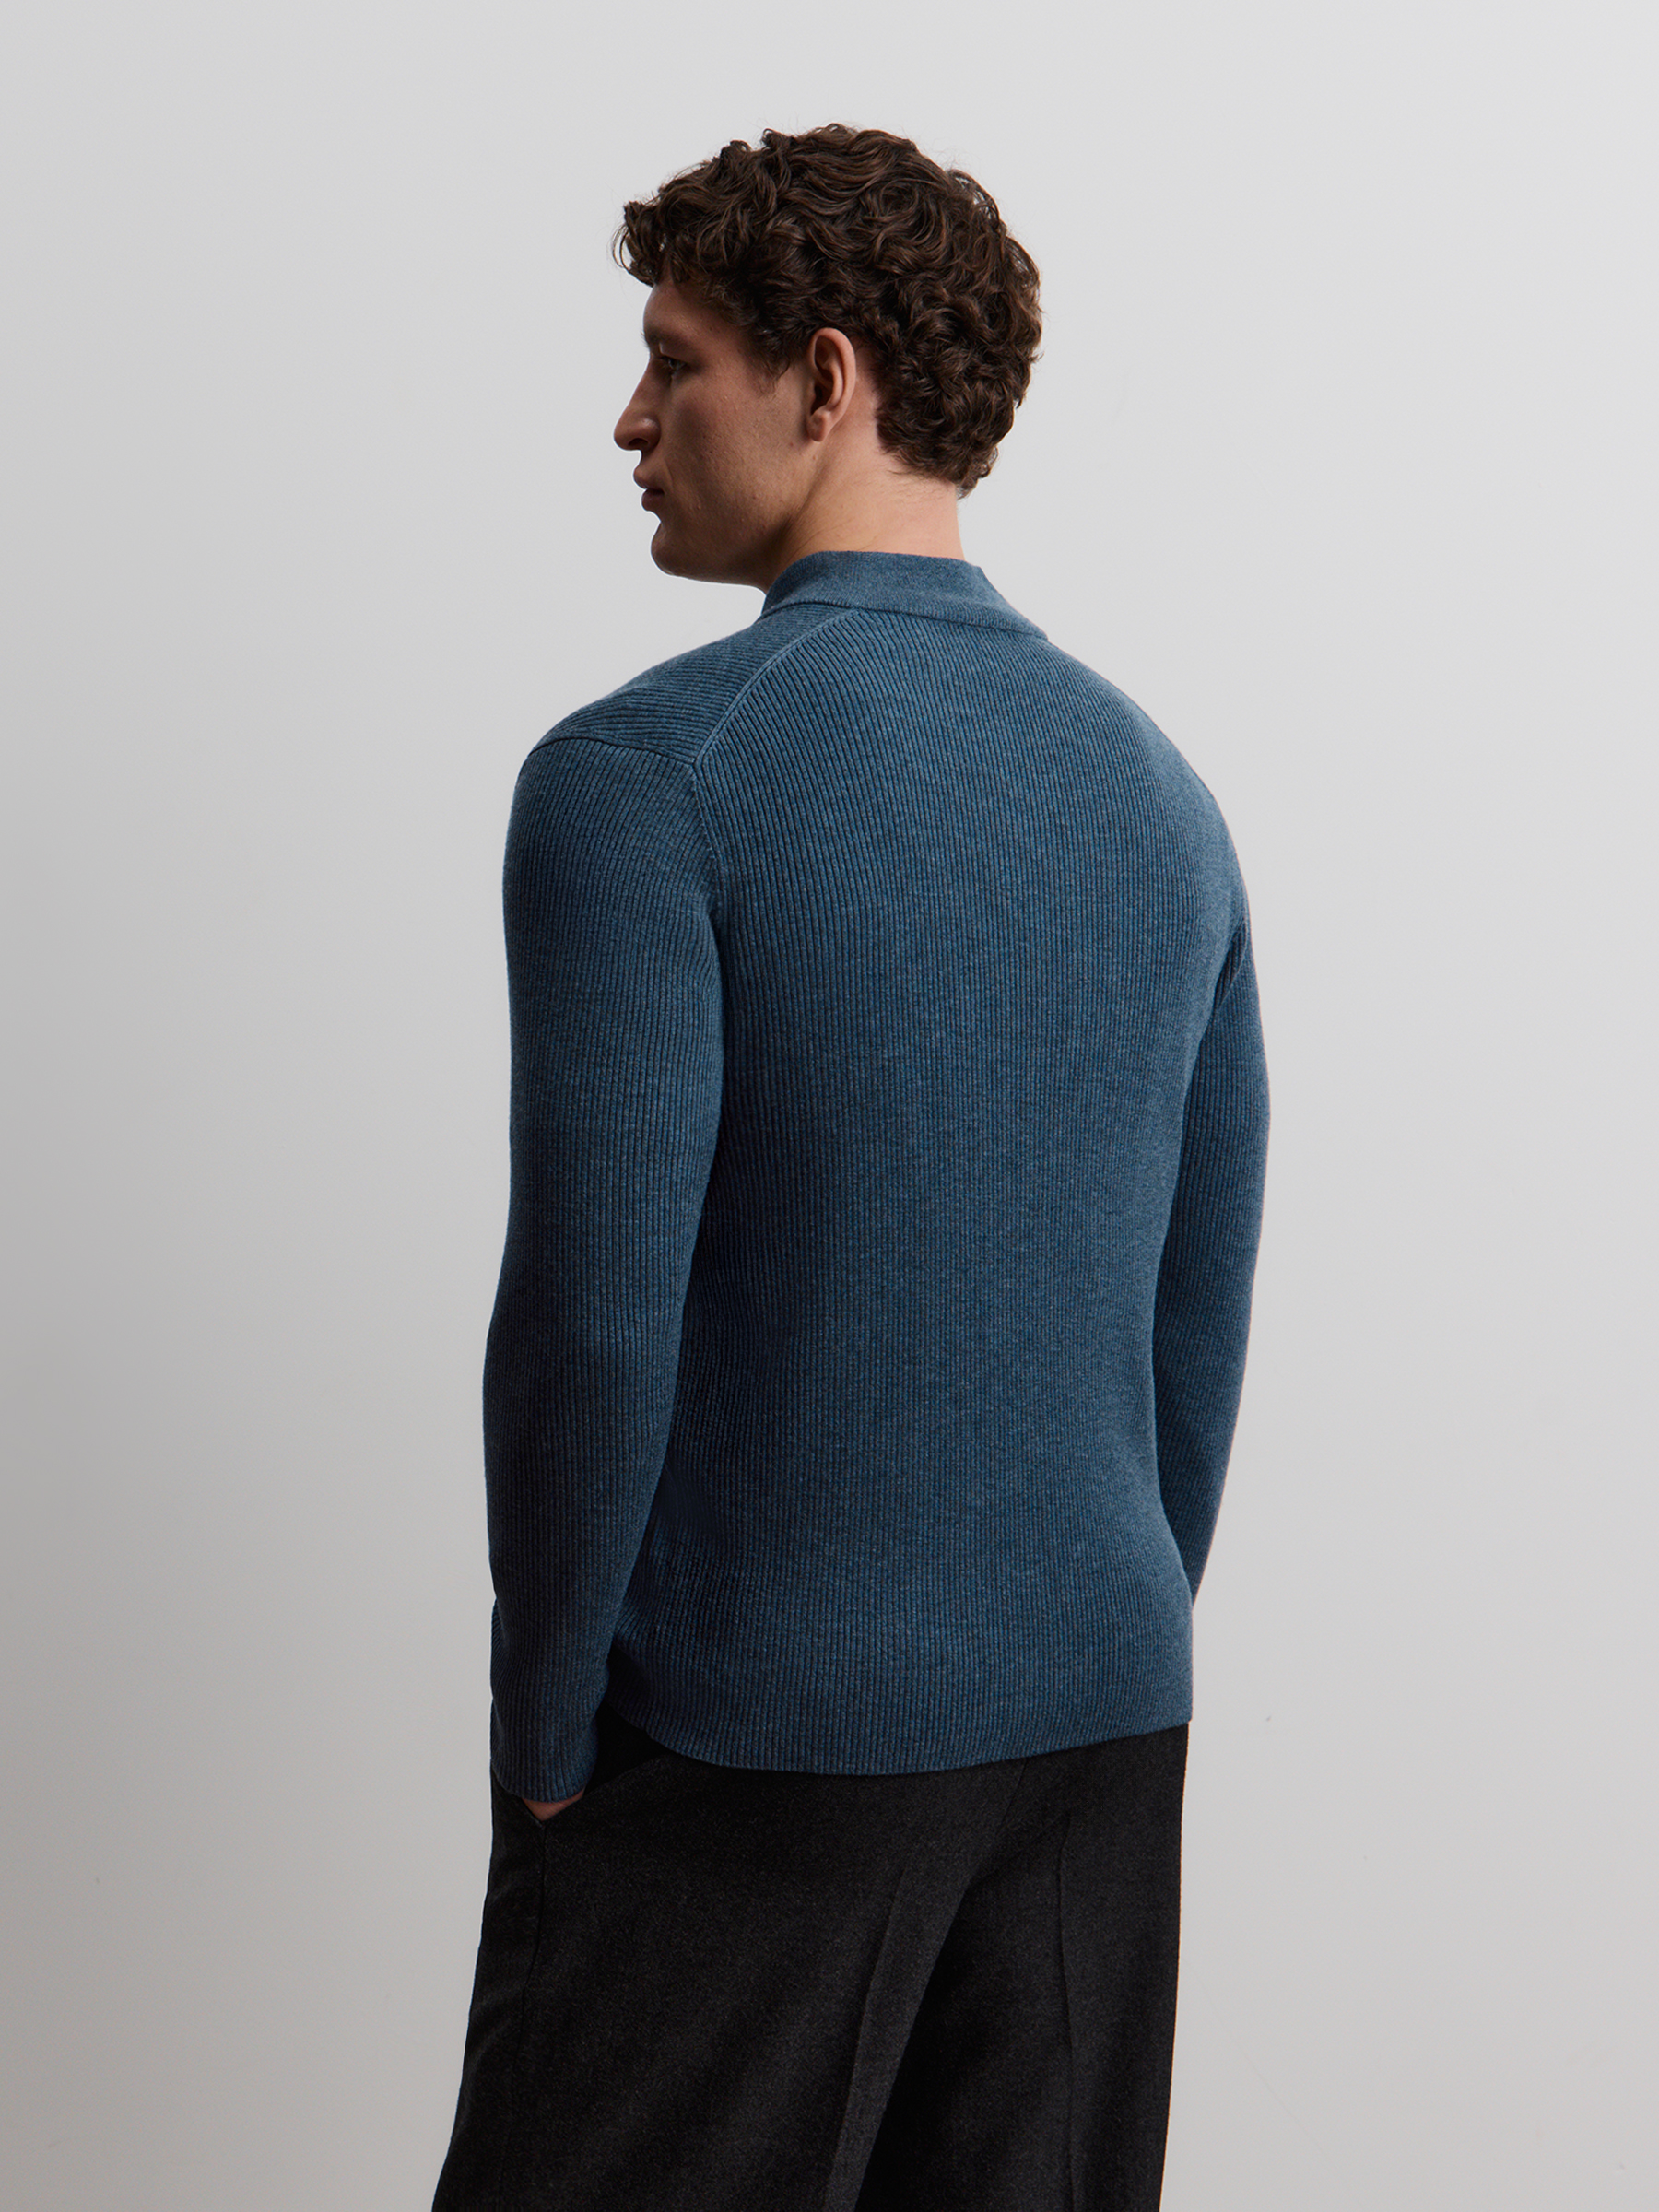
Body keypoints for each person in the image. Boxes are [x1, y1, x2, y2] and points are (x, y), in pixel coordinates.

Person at [432, 123, 1269, 2212]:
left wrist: (545, 1726)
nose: (630, 421)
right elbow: (1198, 1298)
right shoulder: (1162, 792)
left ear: (826, 380)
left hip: (751, 1742)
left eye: (674, 361)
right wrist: (1093, 1621)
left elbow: (596, 1322)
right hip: (1095, 1738)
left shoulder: (644, 779)